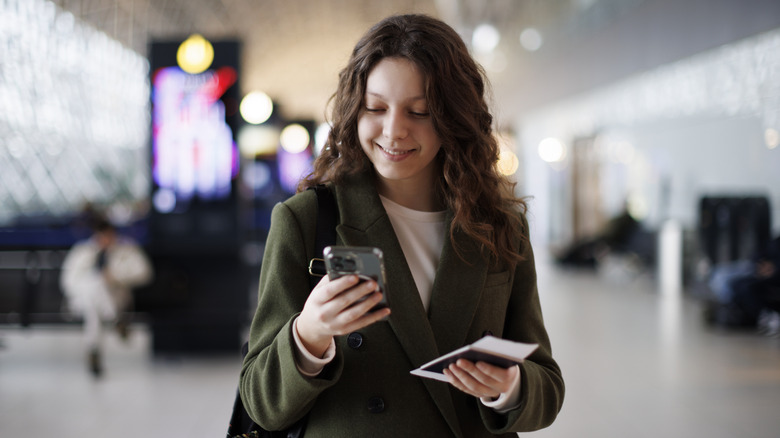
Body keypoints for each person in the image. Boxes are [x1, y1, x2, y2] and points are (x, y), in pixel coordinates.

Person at [239, 14, 564, 437]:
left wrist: (511, 386)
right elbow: (261, 403)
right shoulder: (307, 219)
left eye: (420, 111)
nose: (394, 131)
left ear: (454, 117)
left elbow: (548, 387)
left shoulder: (498, 226)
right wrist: (309, 333)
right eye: (376, 108)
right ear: (354, 111)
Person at [60, 215, 153, 377]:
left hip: (115, 298)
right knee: (93, 285)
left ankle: (94, 350)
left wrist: (115, 276)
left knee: (94, 302)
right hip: (81, 300)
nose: (105, 239)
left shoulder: (126, 248)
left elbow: (145, 273)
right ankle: (115, 320)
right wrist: (91, 283)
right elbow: (68, 282)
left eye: (108, 235)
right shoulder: (83, 250)